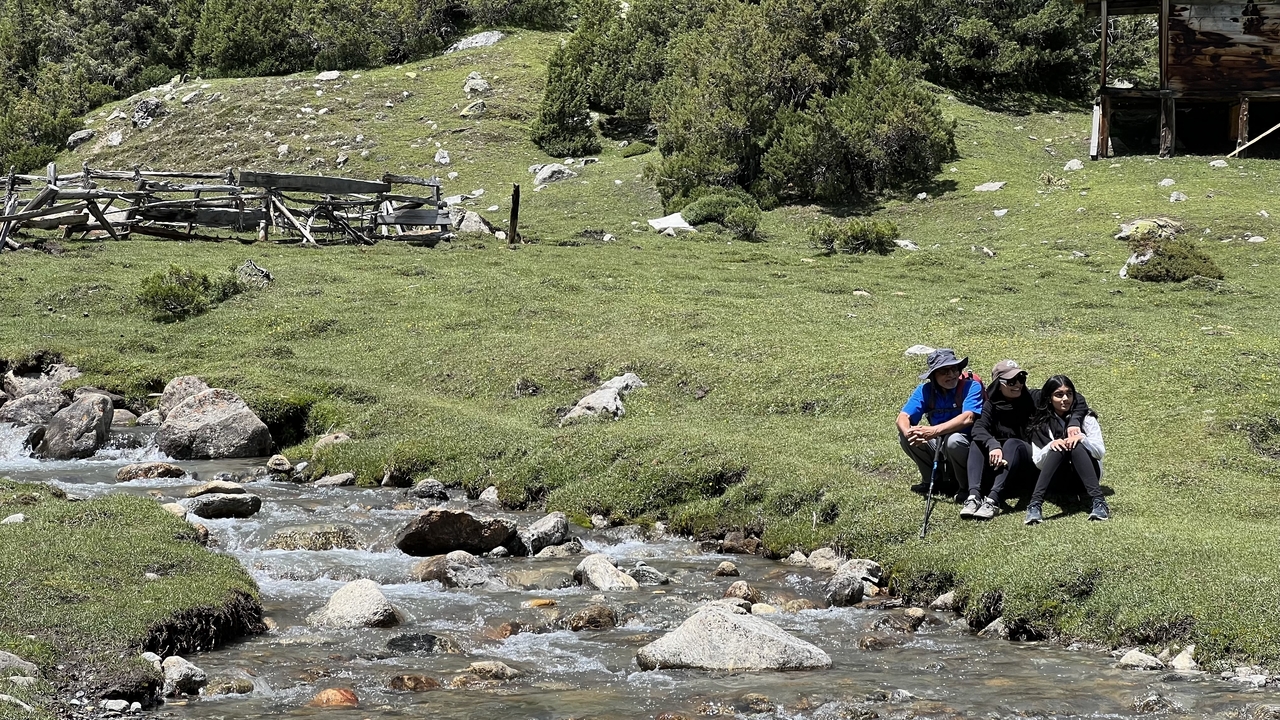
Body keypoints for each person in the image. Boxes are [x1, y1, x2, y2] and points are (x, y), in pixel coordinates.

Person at [963, 361, 1091, 520]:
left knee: (1013, 443)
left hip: (1031, 460)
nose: (1017, 384)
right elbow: (978, 429)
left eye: (1021, 378)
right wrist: (993, 445)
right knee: (977, 443)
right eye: (1011, 381)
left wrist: (1074, 422)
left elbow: (1077, 397)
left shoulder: (1033, 398)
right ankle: (973, 496)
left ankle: (993, 499)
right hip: (1002, 461)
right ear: (998, 383)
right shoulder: (990, 405)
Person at [897, 348, 984, 496]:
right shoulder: (925, 391)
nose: (951, 375)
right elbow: (902, 417)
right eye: (944, 371)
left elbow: (968, 418)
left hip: (967, 443)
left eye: (954, 369)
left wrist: (933, 431)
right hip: (938, 442)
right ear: (933, 376)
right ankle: (933, 482)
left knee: (953, 441)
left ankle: (965, 487)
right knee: (906, 438)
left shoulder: (971, 387)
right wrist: (908, 432)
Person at [1025, 375, 1109, 524]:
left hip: (1087, 477)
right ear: (1049, 398)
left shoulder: (1087, 418)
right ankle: (1034, 506)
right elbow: (1038, 462)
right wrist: (1051, 446)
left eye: (1069, 394)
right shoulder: (1040, 423)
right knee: (1059, 447)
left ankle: (1099, 502)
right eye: (1059, 395)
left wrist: (1082, 439)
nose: (1065, 399)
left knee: (1074, 444)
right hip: (1058, 480)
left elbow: (1100, 452)